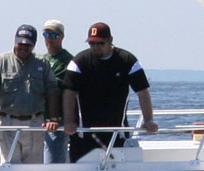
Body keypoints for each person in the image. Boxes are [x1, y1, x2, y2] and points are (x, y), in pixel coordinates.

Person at [63, 21, 158, 163]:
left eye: (100, 43)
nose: (95, 47)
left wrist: (148, 120)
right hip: (84, 134)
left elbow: (142, 92)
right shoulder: (79, 62)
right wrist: (69, 121)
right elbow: (69, 92)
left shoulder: (127, 60)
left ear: (110, 41)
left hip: (117, 132)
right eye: (92, 44)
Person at [0, 24, 61, 164]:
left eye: (28, 45)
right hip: (7, 123)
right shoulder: (0, 62)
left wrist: (53, 118)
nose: (23, 47)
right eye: (20, 43)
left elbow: (52, 91)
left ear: (34, 45)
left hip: (35, 123)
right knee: (10, 168)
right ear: (15, 41)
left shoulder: (42, 63)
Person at [42, 19, 73, 164]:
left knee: (53, 162)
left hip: (57, 120)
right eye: (46, 35)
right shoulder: (41, 60)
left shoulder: (68, 61)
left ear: (62, 37)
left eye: (54, 36)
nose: (49, 39)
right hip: (40, 119)